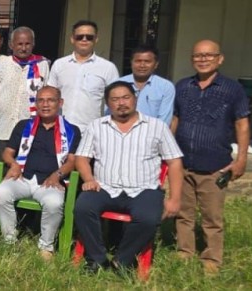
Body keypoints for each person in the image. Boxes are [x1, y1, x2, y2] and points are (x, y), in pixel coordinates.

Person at [74, 81, 183, 274]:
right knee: (83, 207)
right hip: (105, 187)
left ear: (135, 98)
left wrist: (175, 199)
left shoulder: (157, 127)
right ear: (108, 103)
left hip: (144, 190)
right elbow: (82, 158)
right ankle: (97, 259)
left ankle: (122, 261)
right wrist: (89, 178)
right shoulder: (97, 126)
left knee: (148, 218)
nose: (121, 103)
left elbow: (174, 162)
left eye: (125, 97)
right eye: (115, 99)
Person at [172, 40, 250, 275]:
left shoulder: (232, 89)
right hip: (183, 163)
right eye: (198, 56)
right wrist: (168, 153)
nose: (203, 59)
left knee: (212, 217)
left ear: (220, 59)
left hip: (215, 165)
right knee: (183, 213)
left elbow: (242, 124)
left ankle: (212, 259)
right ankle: (185, 252)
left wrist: (241, 159)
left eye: (208, 55)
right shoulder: (183, 86)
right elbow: (175, 119)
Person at [0, 86, 80, 260]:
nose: (45, 104)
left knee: (54, 203)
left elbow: (72, 161)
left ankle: (46, 247)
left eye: (51, 100)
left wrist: (57, 175)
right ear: (36, 104)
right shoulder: (24, 125)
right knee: (1, 192)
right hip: (23, 177)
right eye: (41, 100)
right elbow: (7, 153)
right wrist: (13, 164)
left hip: (50, 182)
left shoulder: (72, 130)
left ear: (60, 103)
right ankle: (9, 240)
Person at [0, 27, 50, 170]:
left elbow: (46, 96)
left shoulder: (42, 65)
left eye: (27, 44)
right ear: (11, 45)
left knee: (25, 169)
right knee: (0, 169)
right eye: (19, 44)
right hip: (3, 128)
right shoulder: (1, 64)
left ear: (33, 44)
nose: (23, 48)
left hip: (29, 128)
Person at [49, 20, 120, 129]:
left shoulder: (108, 68)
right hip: (60, 128)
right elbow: (50, 96)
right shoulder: (59, 64)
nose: (84, 39)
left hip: (91, 130)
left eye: (89, 37)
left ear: (96, 39)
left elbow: (115, 100)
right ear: (72, 39)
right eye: (79, 37)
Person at [118, 44, 174, 124]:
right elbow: (111, 113)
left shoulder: (165, 87)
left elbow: (164, 120)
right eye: (138, 61)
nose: (142, 65)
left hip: (154, 130)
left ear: (156, 64)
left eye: (147, 62)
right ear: (131, 62)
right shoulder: (118, 84)